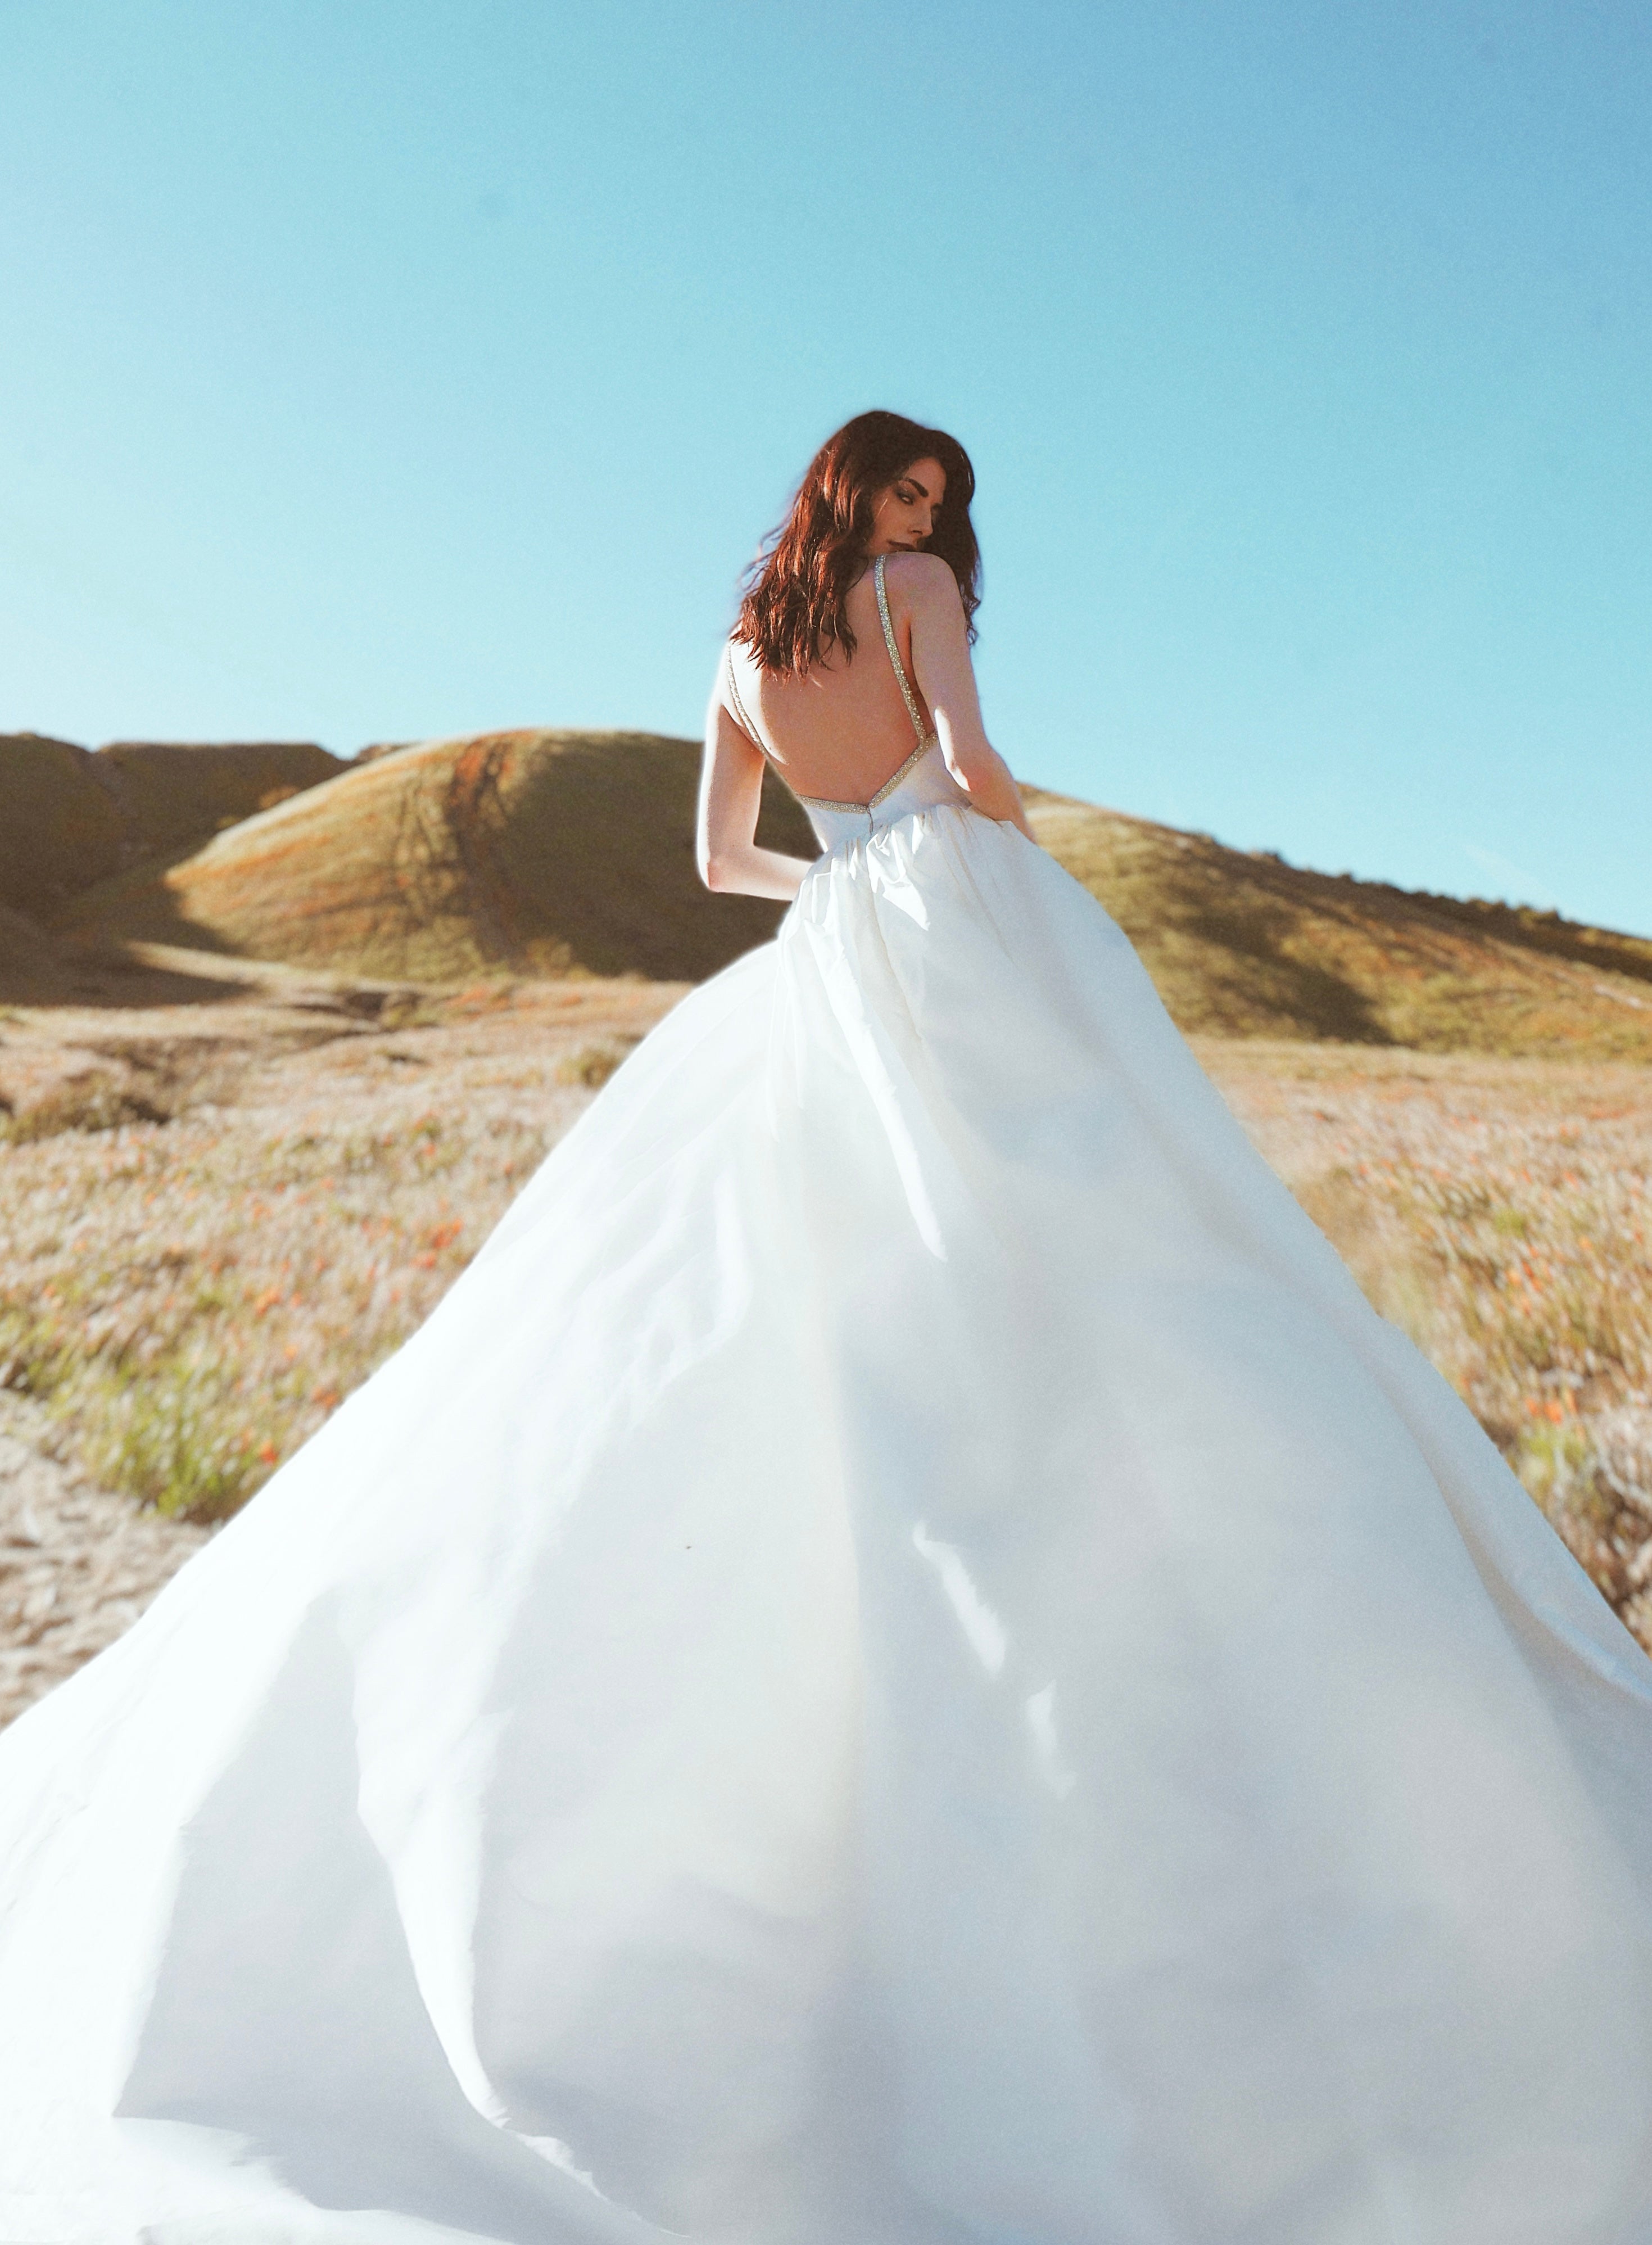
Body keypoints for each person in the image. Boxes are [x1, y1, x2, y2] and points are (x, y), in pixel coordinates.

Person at [3, 411, 1652, 2245]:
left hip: (835, 942)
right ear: (859, 490)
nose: (928, 519)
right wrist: (991, 866)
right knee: (1113, 1217)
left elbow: (723, 863)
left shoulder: (735, 650)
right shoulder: (911, 593)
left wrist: (847, 879)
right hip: (958, 911)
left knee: (816, 1253)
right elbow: (967, 753)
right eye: (910, 486)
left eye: (938, 501)